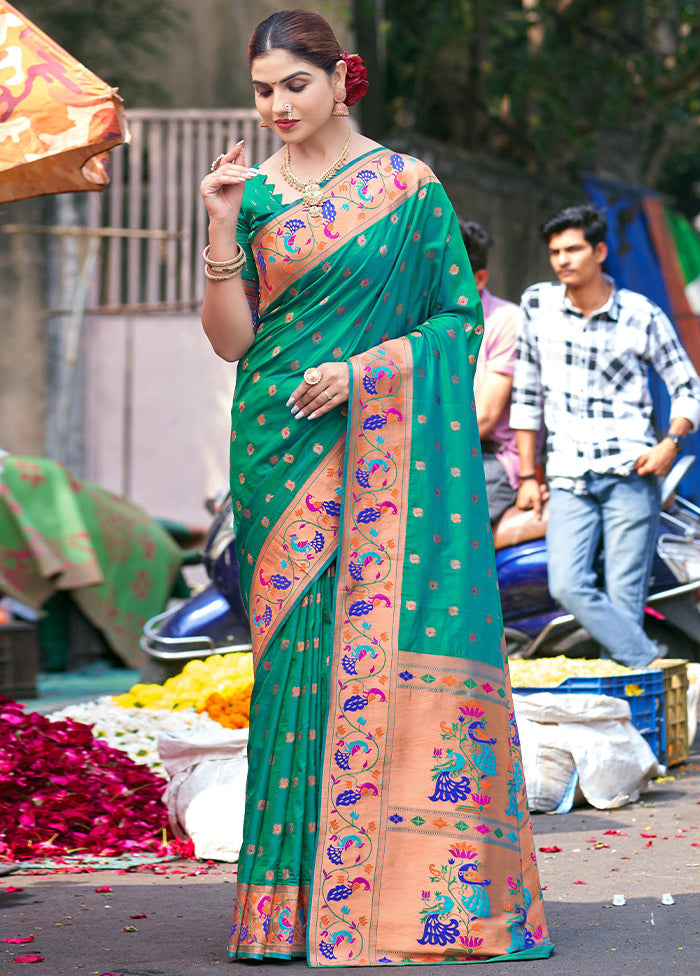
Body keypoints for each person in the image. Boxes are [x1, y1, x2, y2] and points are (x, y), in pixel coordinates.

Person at [199, 9, 552, 966]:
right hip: (274, 446)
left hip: (376, 446)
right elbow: (233, 340)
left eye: (294, 86)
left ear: (341, 79)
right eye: (263, 89)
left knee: (381, 640)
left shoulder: (407, 189)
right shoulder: (255, 194)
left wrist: (366, 374)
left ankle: (392, 897)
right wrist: (224, 228)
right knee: (292, 663)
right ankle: (285, 907)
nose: (276, 105)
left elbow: (455, 323)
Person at [511, 203, 700, 670]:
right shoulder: (537, 305)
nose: (563, 260)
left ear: (599, 251)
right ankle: (647, 659)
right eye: (555, 251)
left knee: (624, 596)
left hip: (632, 473)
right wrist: (528, 476)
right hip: (569, 476)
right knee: (567, 584)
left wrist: (670, 444)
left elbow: (687, 387)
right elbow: (526, 394)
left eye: (573, 249)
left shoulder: (641, 314)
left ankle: (632, 720)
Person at [459, 219, 520, 521]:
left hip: (490, 456)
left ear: (479, 279)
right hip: (437, 448)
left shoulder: (506, 320)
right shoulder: (424, 320)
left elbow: (484, 418)